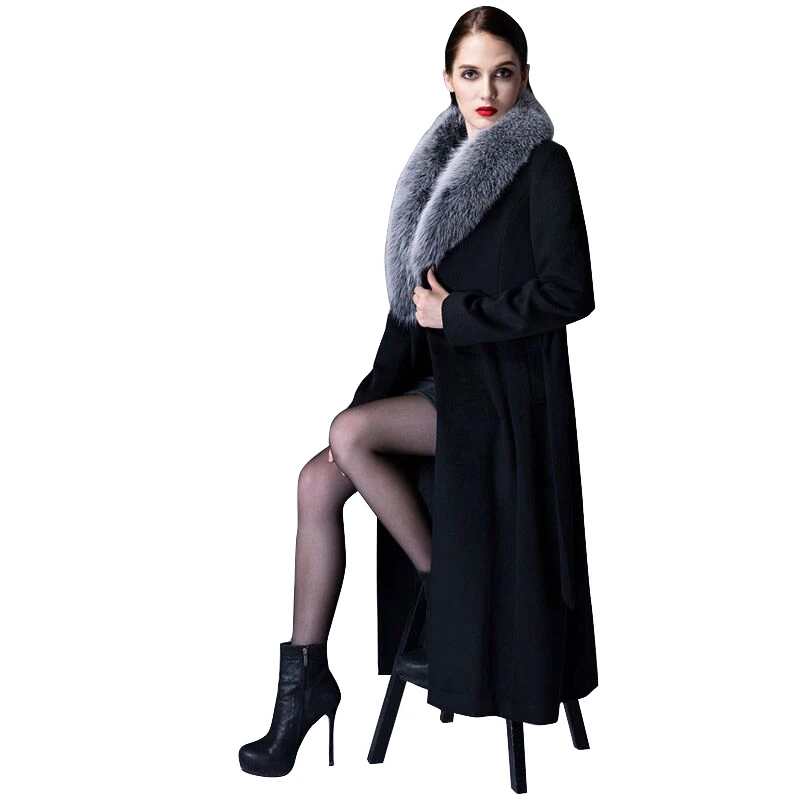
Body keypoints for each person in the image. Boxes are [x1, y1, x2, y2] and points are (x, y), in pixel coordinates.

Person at [239, 5, 598, 779]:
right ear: (447, 80)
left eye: (503, 73)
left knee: (351, 435)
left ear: (525, 77)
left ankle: (449, 586)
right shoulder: (434, 175)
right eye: (471, 74)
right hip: (439, 388)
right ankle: (304, 686)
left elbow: (570, 292)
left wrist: (458, 314)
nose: (487, 91)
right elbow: (407, 318)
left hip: (503, 403)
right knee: (316, 479)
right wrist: (369, 396)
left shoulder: (544, 165)